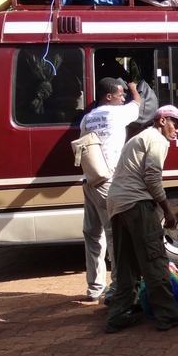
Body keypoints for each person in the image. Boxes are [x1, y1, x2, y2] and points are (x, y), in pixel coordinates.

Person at [104, 105, 178, 333]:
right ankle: (167, 315)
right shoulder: (157, 140)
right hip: (137, 204)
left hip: (117, 204)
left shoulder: (139, 137)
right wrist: (167, 210)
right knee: (154, 260)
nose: (177, 129)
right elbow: (152, 177)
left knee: (126, 264)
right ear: (162, 121)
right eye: (175, 123)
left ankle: (118, 316)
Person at [79, 77, 141, 304]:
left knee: (92, 234)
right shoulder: (117, 114)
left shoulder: (87, 118)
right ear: (109, 97)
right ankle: (116, 287)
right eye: (120, 94)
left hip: (89, 180)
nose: (123, 97)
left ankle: (95, 288)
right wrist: (134, 89)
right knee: (114, 235)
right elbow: (138, 104)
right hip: (108, 181)